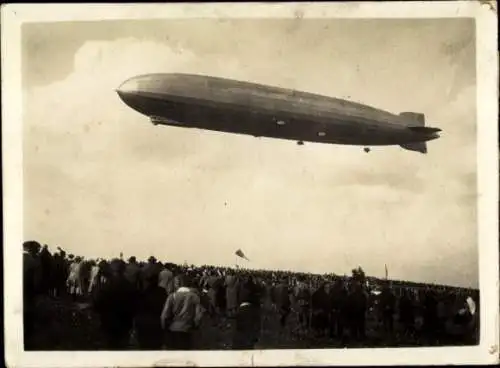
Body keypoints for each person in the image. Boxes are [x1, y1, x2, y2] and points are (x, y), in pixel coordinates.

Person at [93, 258, 138, 350]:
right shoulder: (130, 286)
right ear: (124, 269)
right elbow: (135, 306)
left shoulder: (105, 286)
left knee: (109, 347)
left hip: (108, 322)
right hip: (124, 323)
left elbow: (97, 304)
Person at [161, 275, 205, 350]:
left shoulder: (172, 296)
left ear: (177, 284)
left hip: (173, 329)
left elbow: (164, 315)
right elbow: (199, 316)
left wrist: (164, 327)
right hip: (188, 329)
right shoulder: (194, 296)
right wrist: (196, 325)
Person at [134, 272, 167, 350]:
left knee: (144, 345)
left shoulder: (142, 292)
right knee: (156, 345)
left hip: (144, 321)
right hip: (156, 320)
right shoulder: (162, 291)